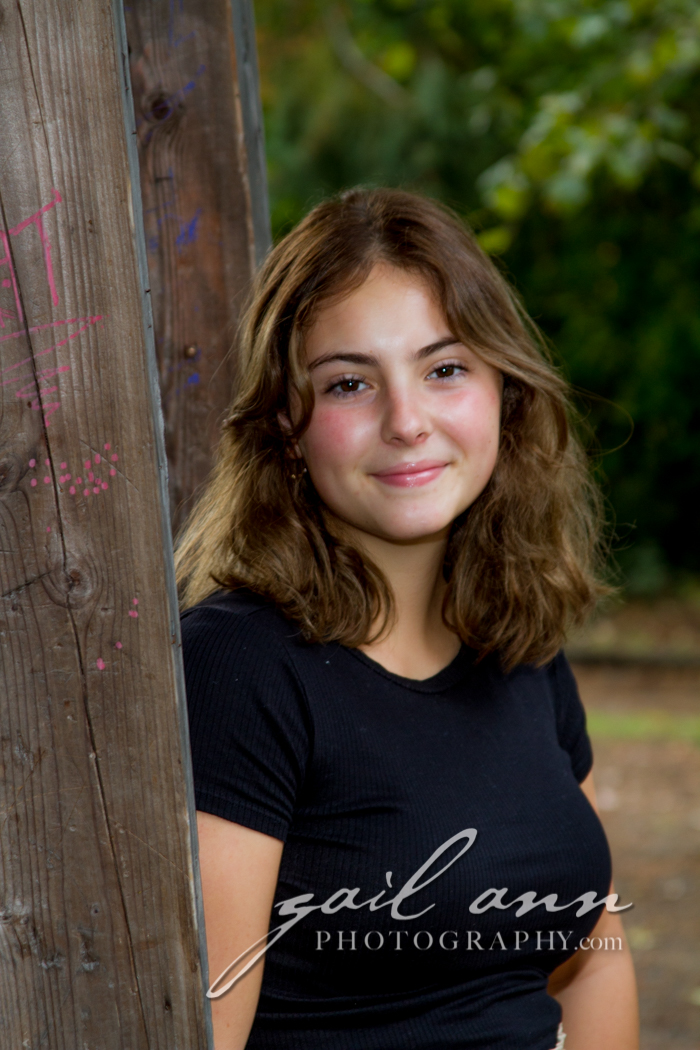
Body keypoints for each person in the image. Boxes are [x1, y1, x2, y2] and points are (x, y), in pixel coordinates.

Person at [175, 187, 639, 1050]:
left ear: (505, 392)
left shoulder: (519, 644)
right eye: (349, 383)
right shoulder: (238, 668)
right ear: (287, 427)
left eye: (445, 369)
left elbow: (594, 956)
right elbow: (203, 1031)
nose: (406, 422)